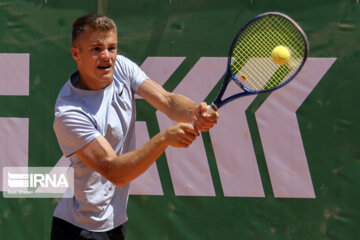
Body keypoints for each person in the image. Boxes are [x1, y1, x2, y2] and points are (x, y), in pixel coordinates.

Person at [51, 14, 219, 240]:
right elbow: (115, 172)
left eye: (112, 48)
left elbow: (168, 101)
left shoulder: (121, 67)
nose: (107, 56)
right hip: (80, 230)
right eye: (96, 49)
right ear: (76, 54)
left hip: (114, 223)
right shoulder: (70, 112)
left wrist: (194, 112)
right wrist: (163, 139)